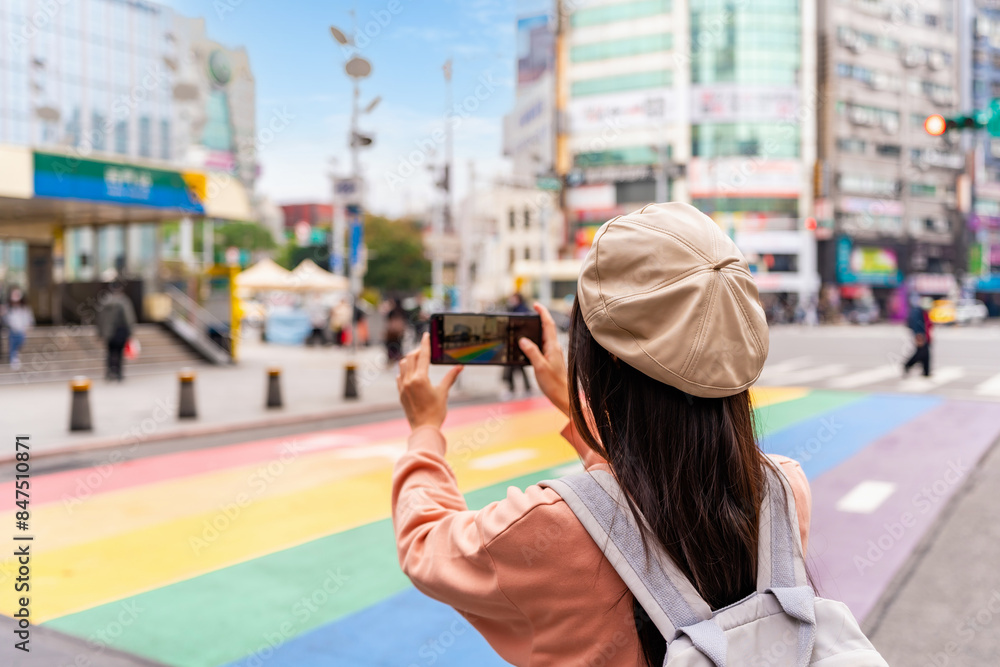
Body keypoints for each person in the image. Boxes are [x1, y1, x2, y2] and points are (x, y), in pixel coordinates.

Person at [391, 204, 822, 665]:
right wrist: (573, 404)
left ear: (606, 356)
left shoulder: (549, 524)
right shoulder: (785, 489)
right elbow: (648, 489)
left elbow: (425, 543)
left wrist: (424, 432)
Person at [97, 284, 136, 381]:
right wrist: (131, 331)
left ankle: (109, 373)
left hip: (108, 333)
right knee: (119, 353)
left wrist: (100, 332)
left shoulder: (105, 302)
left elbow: (99, 319)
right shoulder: (124, 302)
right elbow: (129, 318)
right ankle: (118, 373)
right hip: (120, 332)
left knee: (110, 353)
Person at [501, 292, 532, 398]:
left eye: (513, 298)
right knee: (514, 367)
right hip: (512, 344)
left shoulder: (523, 310)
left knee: (515, 366)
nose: (511, 300)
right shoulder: (511, 309)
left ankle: (515, 389)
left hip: (519, 344)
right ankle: (517, 389)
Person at [903, 296, 933, 377]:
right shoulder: (917, 312)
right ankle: (908, 365)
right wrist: (918, 336)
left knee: (926, 355)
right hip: (921, 336)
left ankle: (926, 372)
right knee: (920, 354)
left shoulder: (924, 312)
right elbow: (916, 325)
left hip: (926, 336)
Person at [5, 289, 34, 371]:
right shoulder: (8, 308)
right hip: (12, 331)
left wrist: (29, 326)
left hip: (21, 331)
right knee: (12, 345)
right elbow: (7, 319)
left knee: (21, 342)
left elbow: (29, 318)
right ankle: (13, 358)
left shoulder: (24, 308)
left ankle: (15, 354)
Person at [384, 298, 408, 363]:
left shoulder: (392, 312)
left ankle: (392, 357)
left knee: (391, 345)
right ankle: (398, 357)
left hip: (392, 332)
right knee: (398, 344)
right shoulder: (403, 311)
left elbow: (388, 322)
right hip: (399, 332)